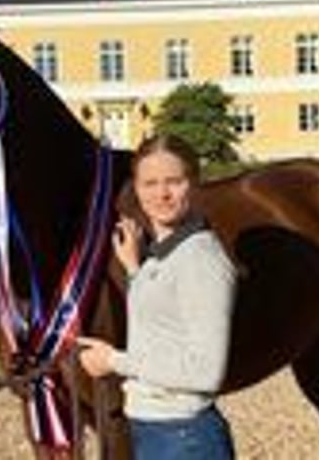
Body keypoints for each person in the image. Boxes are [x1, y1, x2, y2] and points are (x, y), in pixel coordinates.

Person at [77, 133, 237, 460]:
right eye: (149, 183)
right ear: (135, 188)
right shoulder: (164, 254)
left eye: (174, 182)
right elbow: (165, 322)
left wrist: (114, 361)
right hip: (157, 431)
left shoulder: (201, 260)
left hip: (184, 438)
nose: (162, 194)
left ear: (194, 184)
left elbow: (206, 371)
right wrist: (137, 270)